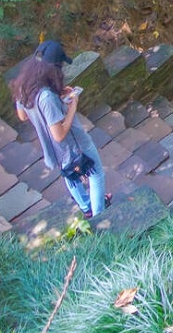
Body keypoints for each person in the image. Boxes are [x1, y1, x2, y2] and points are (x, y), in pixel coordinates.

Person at [11, 43, 109, 219]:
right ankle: (99, 217)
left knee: (70, 174)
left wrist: (59, 94)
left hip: (54, 150)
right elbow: (59, 134)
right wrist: (72, 106)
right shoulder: (46, 97)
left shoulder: (24, 85)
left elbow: (22, 116)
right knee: (96, 174)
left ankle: (86, 206)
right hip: (74, 144)